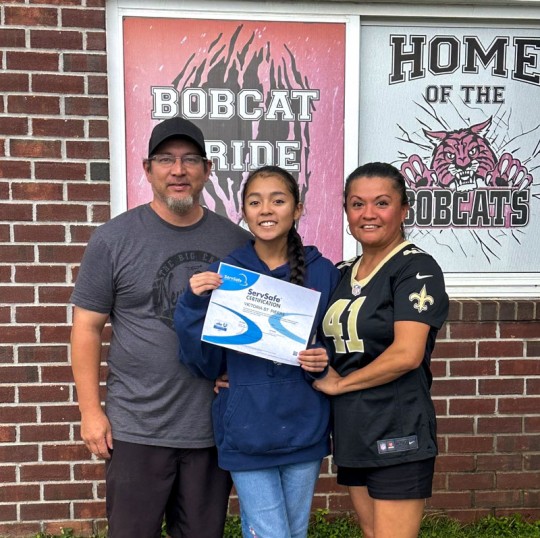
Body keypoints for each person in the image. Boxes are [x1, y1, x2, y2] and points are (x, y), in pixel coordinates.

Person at [70, 117, 252, 538]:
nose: (178, 170)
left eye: (190, 160)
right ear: (147, 169)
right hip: (137, 427)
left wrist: (239, 371)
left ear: (207, 169)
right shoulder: (113, 239)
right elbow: (86, 328)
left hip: (208, 428)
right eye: (166, 159)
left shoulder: (236, 243)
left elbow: (251, 323)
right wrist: (90, 412)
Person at [174, 165, 341, 538]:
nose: (266, 210)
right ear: (244, 212)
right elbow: (204, 363)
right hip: (246, 428)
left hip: (304, 427)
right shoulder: (228, 275)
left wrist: (322, 359)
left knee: (294, 532)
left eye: (277, 201)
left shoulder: (324, 273)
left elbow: (336, 344)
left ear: (297, 209)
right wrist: (193, 304)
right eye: (255, 202)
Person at [313, 162, 449, 538]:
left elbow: (407, 354)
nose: (368, 213)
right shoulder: (342, 272)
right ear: (346, 211)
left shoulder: (416, 268)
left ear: (404, 210)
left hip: (397, 426)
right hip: (353, 427)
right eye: (357, 204)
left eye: (382, 203)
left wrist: (341, 384)